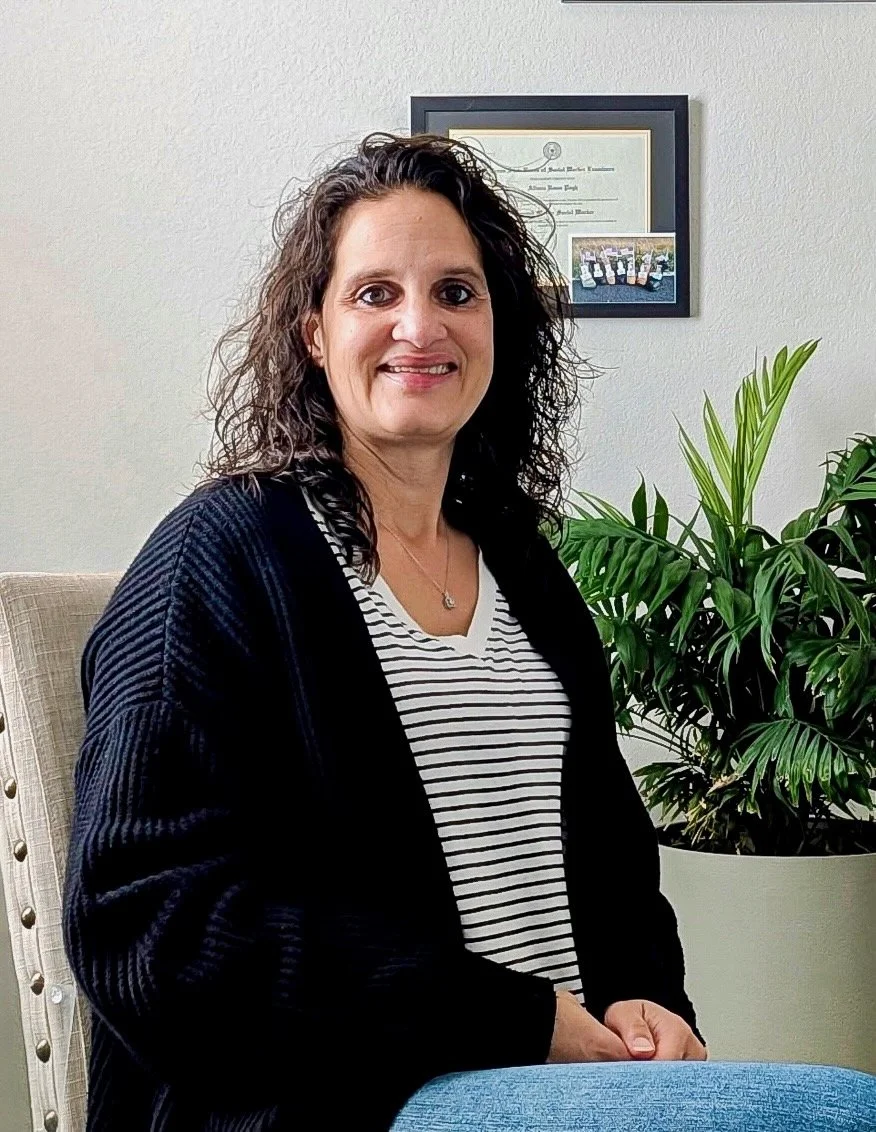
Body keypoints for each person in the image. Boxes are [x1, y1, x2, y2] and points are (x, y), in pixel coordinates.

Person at [62, 132, 876, 1132]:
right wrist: (512, 1016)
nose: (420, 325)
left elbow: (613, 861)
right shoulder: (216, 560)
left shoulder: (520, 564)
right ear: (313, 331)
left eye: (457, 291)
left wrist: (644, 1001)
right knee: (839, 1117)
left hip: (567, 1078)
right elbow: (143, 928)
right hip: (351, 1099)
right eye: (374, 294)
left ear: (499, 326)